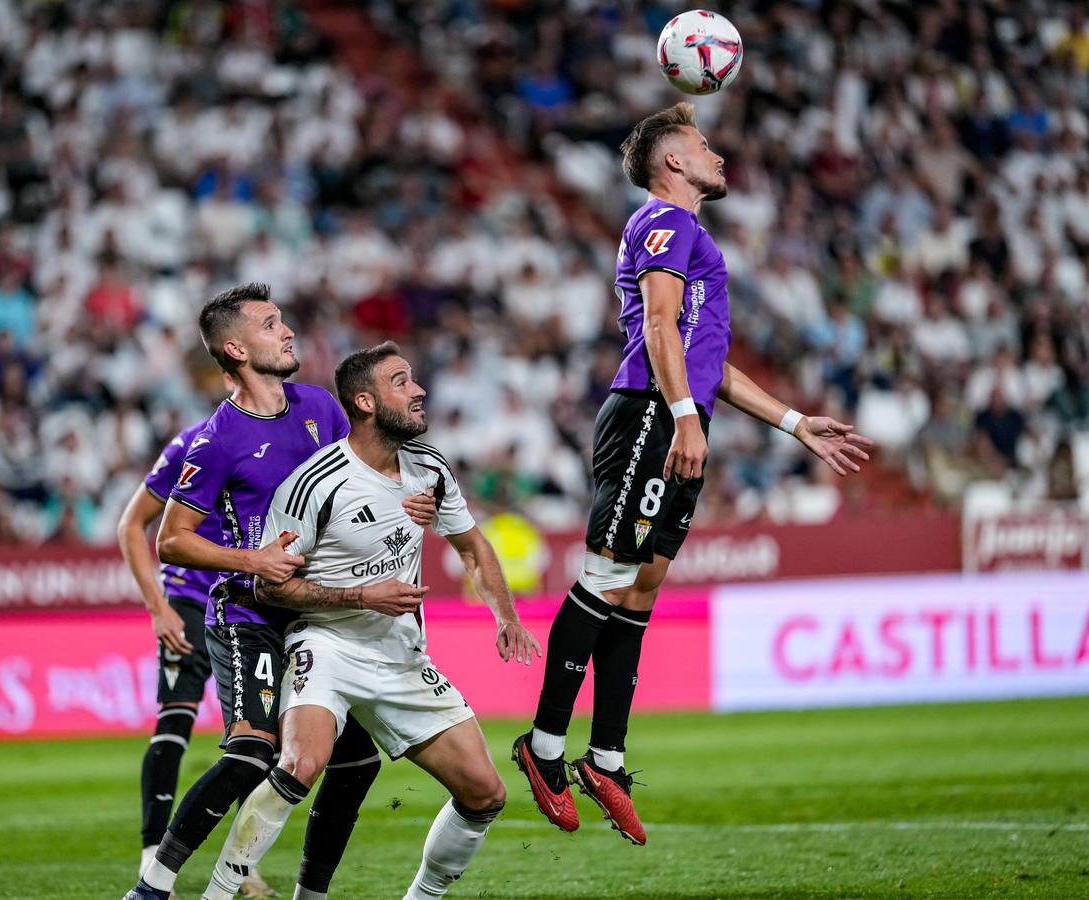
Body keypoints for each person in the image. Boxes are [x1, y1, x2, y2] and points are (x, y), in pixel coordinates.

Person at [513, 102, 876, 844]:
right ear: (672, 161)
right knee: (608, 575)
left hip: (676, 407)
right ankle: (543, 748)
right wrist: (680, 414)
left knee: (641, 587)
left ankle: (606, 757)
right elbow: (656, 326)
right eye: (701, 143)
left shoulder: (689, 234)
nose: (716, 152)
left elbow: (709, 360)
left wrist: (794, 422)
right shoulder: (664, 223)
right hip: (650, 409)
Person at [199, 342, 540, 900]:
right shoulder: (315, 485)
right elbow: (270, 585)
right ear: (365, 401)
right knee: (299, 765)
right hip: (327, 643)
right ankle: (218, 895)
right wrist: (361, 595)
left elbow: (473, 545)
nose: (419, 390)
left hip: (400, 654)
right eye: (402, 382)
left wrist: (506, 615)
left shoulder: (428, 469)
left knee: (485, 793)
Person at [125, 285, 435, 900]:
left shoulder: (319, 406)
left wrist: (404, 497)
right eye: (272, 325)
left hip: (311, 614)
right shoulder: (216, 441)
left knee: (356, 763)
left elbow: (352, 482)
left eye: (284, 321)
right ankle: (151, 889)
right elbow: (172, 540)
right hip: (246, 616)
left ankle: (309, 895)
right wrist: (252, 559)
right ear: (237, 349)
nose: (288, 331)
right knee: (249, 755)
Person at [116, 408, 282, 898]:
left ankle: (242, 869)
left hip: (249, 604)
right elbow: (132, 525)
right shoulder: (193, 444)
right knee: (175, 723)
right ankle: (153, 858)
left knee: (256, 741)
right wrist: (157, 607)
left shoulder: (288, 435)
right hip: (190, 598)